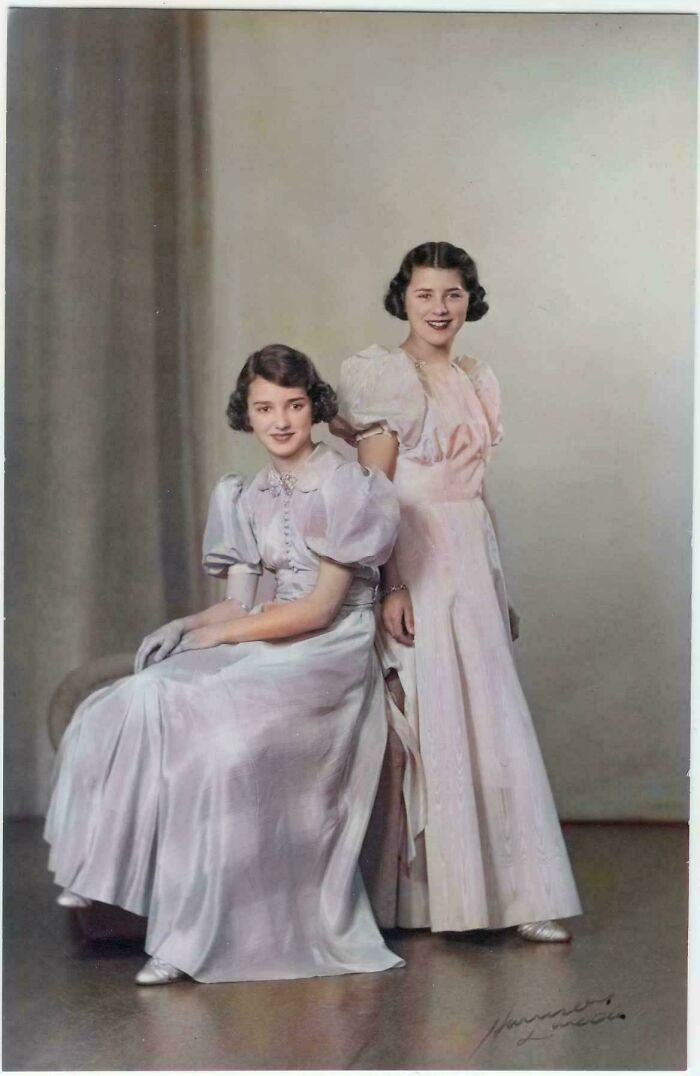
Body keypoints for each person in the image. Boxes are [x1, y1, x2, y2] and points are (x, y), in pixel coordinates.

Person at [45, 343, 404, 985]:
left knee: (219, 742)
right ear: (248, 413)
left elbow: (319, 611)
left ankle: (191, 942)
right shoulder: (247, 493)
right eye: (265, 407)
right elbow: (240, 602)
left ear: (313, 407)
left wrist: (223, 639)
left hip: (327, 654)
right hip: (266, 636)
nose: (281, 421)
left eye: (294, 405)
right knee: (139, 694)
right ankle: (93, 869)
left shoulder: (346, 485)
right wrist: (187, 626)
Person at [332, 241, 582, 942]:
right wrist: (391, 584)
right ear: (402, 299)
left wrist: (498, 583)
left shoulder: (477, 378)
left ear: (469, 298)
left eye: (452, 294)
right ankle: (433, 901)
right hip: (416, 557)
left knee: (494, 723)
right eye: (424, 295)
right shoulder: (388, 379)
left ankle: (519, 900)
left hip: (473, 556)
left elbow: (477, 490)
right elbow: (373, 497)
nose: (440, 308)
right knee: (435, 716)